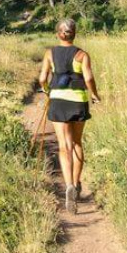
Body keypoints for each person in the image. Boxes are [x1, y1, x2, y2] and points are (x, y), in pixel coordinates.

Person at [37, 18, 101, 212]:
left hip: (58, 101)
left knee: (64, 146)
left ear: (58, 34)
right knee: (77, 144)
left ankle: (69, 186)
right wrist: (95, 95)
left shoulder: (50, 53)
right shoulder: (82, 55)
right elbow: (88, 78)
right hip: (78, 101)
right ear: (75, 34)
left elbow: (42, 79)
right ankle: (77, 181)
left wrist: (47, 90)